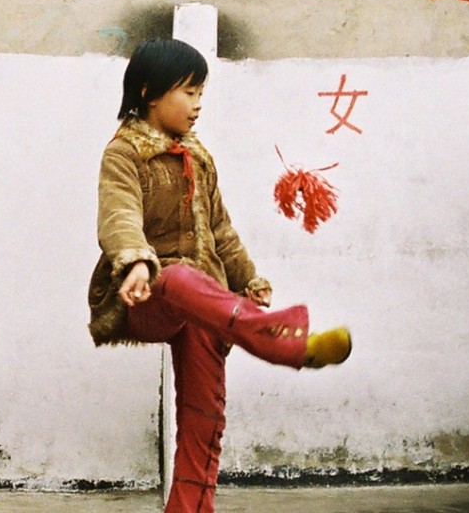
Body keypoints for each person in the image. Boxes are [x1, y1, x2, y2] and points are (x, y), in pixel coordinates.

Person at [88, 38, 350, 513]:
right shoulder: (124, 154)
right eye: (188, 92)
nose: (198, 103)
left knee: (204, 414)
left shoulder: (200, 157)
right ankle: (282, 342)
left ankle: (191, 508)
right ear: (149, 92)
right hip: (143, 293)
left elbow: (220, 228)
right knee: (180, 278)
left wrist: (248, 278)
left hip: (205, 303)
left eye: (201, 92)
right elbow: (119, 214)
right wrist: (138, 261)